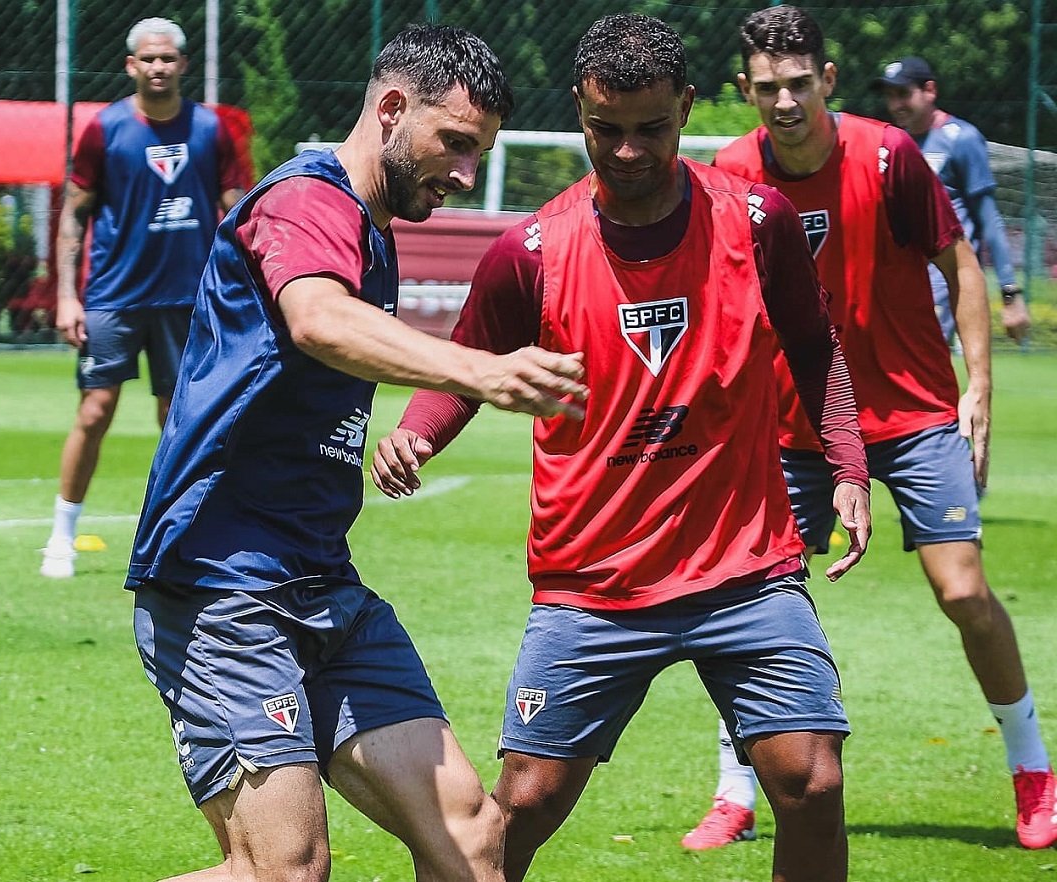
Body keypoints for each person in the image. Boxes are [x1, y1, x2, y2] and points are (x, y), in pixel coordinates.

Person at [373, 14, 872, 882]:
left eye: (652, 128)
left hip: (743, 565)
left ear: (686, 105)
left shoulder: (758, 222)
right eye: (607, 130)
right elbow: (466, 367)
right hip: (593, 579)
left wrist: (849, 467)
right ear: (579, 112)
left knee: (811, 781)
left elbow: (815, 346)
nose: (630, 150)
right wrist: (415, 434)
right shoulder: (529, 252)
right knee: (521, 805)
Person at [126, 24, 590, 882]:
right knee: (284, 870)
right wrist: (480, 370)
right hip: (221, 585)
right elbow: (318, 320)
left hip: (321, 584)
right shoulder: (307, 199)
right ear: (390, 108)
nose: (463, 172)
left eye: (478, 151)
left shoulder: (373, 233)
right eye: (453, 143)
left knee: (472, 840)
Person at [682, 5, 1057, 853]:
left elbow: (958, 262)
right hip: (795, 424)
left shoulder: (891, 157)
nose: (784, 101)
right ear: (745, 89)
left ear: (829, 81)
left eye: (799, 83)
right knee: (750, 602)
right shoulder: (731, 171)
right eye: (767, 87)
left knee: (963, 590)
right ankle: (734, 789)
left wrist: (980, 384)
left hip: (915, 411)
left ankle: (1034, 770)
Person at [40, 16, 249, 579]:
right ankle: (61, 534)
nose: (158, 68)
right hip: (114, 296)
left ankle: (184, 536)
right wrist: (67, 297)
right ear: (131, 65)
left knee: (179, 419)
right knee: (96, 408)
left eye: (167, 59)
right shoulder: (105, 130)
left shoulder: (209, 130)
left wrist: (243, 286)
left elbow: (238, 213)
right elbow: (73, 216)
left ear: (182, 64)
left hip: (189, 300)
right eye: (147, 59)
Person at [872, 56, 1032, 347]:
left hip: (944, 279)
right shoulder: (892, 144)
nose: (896, 104)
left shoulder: (961, 139)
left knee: (920, 370)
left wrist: (1010, 294)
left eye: (903, 94)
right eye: (889, 96)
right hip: (901, 279)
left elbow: (989, 220)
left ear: (930, 90)